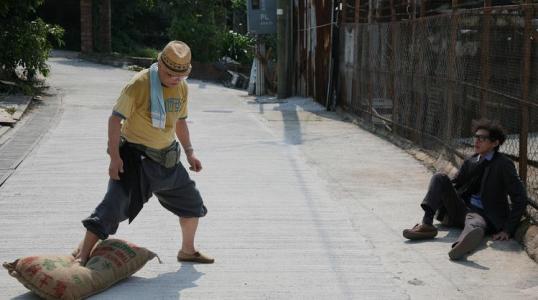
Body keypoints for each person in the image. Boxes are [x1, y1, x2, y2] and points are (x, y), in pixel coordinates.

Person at [73, 41, 214, 265]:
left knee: (192, 204)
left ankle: (188, 250)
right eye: (169, 74)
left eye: (181, 75)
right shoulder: (139, 84)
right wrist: (115, 157)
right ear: (159, 64)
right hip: (135, 159)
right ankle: (82, 255)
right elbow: (115, 119)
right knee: (112, 207)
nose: (175, 79)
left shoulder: (181, 87)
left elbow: (181, 122)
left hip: (167, 160)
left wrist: (189, 152)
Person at [403, 119, 527, 260]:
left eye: (483, 138)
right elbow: (455, 183)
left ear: (495, 143)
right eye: (476, 137)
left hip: (485, 214)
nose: (477, 141)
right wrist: (443, 201)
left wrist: (508, 230)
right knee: (439, 177)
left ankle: (460, 245)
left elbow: (520, 197)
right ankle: (427, 225)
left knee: (474, 223)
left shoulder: (504, 164)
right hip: (463, 208)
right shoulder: (471, 161)